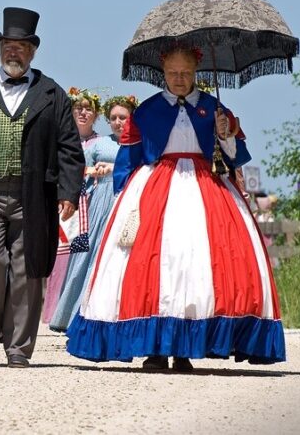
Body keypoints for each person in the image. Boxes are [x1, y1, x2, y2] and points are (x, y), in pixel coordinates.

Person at [66, 45, 285, 371]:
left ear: (196, 72)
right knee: (153, 266)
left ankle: (185, 349)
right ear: (162, 72)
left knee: (196, 266)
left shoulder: (215, 109)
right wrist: (123, 199)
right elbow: (129, 160)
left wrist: (225, 135)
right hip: (154, 189)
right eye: (173, 73)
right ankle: (155, 348)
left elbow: (233, 157)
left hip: (208, 190)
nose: (179, 79)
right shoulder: (147, 111)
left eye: (185, 73)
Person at [0, 7, 85, 368]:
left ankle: (19, 347)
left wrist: (68, 192)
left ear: (33, 50)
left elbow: (70, 147)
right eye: (9, 44)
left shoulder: (52, 94)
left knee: (27, 270)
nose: (14, 51)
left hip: (34, 195)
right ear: (0, 46)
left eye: (22, 46)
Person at [49, 95, 137, 332]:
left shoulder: (138, 146)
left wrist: (115, 168)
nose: (118, 122)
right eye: (114, 118)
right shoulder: (99, 145)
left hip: (128, 202)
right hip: (100, 202)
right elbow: (79, 175)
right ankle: (73, 314)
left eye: (123, 117)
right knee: (86, 257)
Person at [41, 87, 101, 325]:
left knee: (80, 255)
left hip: (90, 205)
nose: (83, 112)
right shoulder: (61, 140)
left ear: (95, 115)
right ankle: (53, 310)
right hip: (63, 203)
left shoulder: (100, 142)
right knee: (58, 256)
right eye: (78, 108)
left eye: (88, 109)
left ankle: (76, 310)